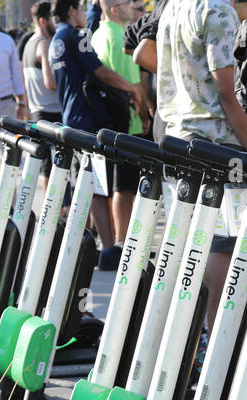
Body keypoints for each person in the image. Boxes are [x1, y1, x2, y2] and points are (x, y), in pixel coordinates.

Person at [155, 0, 247, 329]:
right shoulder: (216, 10)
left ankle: (185, 345)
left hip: (178, 138)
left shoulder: (174, 7)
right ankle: (216, 344)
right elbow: (227, 92)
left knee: (185, 249)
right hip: (219, 147)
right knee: (223, 248)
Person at [48, 0, 143, 266]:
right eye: (79, 10)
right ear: (71, 12)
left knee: (91, 183)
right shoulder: (75, 36)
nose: (83, 15)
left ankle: (102, 244)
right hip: (86, 120)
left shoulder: (55, 39)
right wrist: (133, 90)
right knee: (96, 185)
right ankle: (108, 247)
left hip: (70, 116)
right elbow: (100, 71)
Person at [91, 0, 146, 249]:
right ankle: (123, 242)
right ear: (114, 9)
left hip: (108, 120)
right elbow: (134, 85)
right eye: (126, 2)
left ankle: (114, 241)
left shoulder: (98, 34)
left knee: (114, 184)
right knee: (124, 188)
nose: (133, 5)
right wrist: (144, 115)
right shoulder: (119, 35)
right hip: (128, 121)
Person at [21, 2, 59, 121]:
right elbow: (51, 83)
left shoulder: (28, 43)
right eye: (54, 19)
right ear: (43, 22)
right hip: (51, 115)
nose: (57, 24)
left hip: (36, 113)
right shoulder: (44, 44)